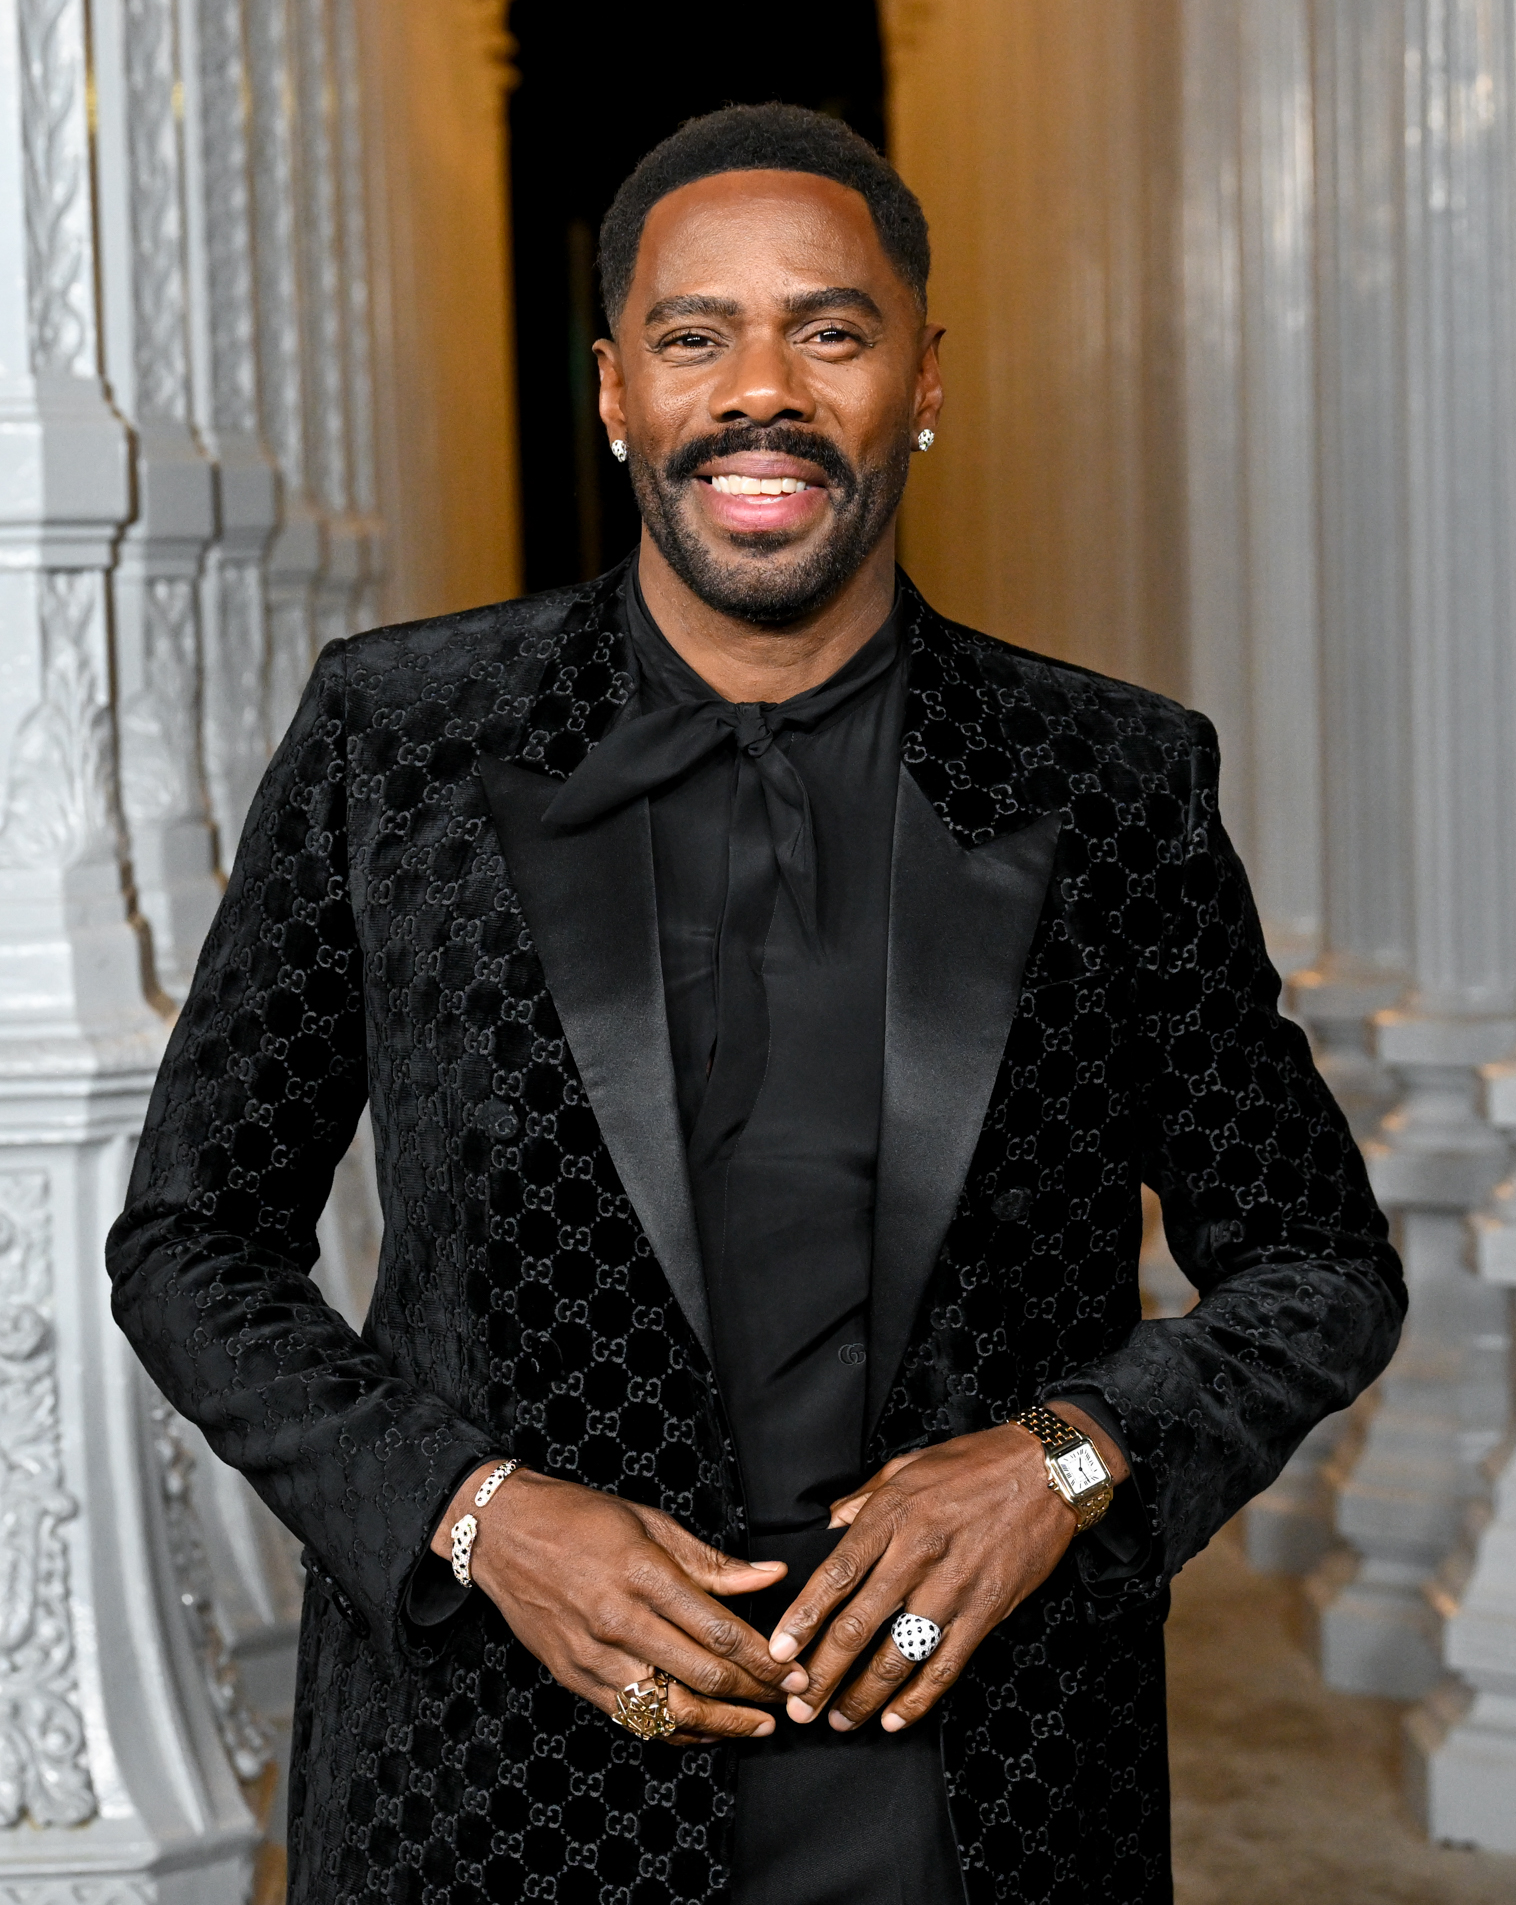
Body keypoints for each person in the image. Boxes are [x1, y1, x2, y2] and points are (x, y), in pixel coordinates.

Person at [108, 103, 1405, 1905]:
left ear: (923, 380)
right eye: (695, 335)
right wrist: (472, 1512)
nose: (762, 391)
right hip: (493, 1792)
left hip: (980, 1801)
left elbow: (1318, 1265)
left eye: (832, 329)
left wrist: (1068, 1462)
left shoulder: (1108, 783)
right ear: (619, 388)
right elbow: (192, 1237)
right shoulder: (396, 743)